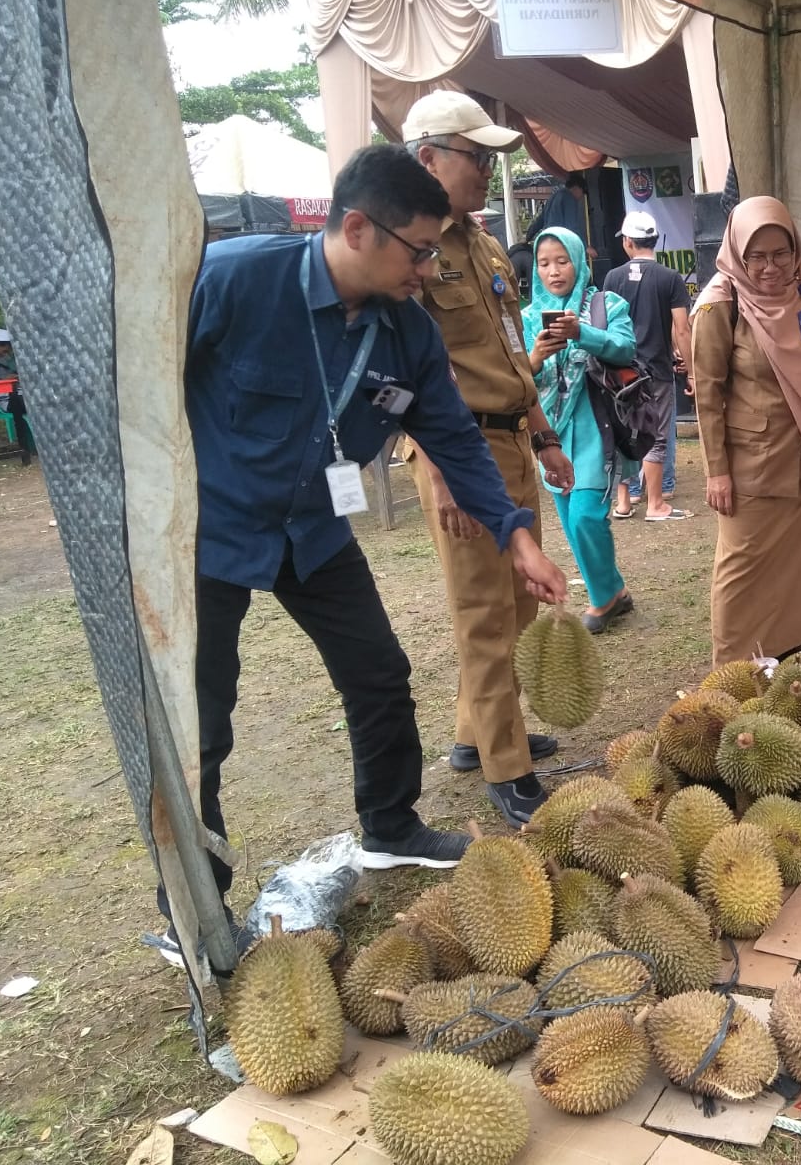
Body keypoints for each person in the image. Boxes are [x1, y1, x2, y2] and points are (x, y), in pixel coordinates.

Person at [181, 145, 568, 940]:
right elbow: (145, 384)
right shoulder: (232, 278)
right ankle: (194, 898)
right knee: (199, 721)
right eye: (419, 250)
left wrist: (519, 538)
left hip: (313, 530)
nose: (427, 269)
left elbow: (455, 440)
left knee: (380, 673)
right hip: (206, 529)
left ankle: (390, 826)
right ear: (357, 228)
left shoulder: (407, 331)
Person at [403, 91, 575, 826]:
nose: (486, 171)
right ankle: (508, 769)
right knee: (482, 610)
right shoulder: (409, 254)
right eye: (476, 158)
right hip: (456, 446)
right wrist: (436, 468)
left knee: (513, 602)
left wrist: (543, 433)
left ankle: (477, 735)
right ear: (428, 159)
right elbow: (408, 372)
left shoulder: (484, 245)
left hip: (508, 435)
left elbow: (510, 350)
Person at [692, 196, 801, 665]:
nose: (770, 268)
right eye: (757, 256)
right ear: (737, 253)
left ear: (795, 251)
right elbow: (707, 394)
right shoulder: (719, 305)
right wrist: (717, 472)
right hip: (753, 463)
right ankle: (729, 670)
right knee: (741, 574)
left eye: (780, 254)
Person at [525, 226, 639, 633]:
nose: (554, 271)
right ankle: (612, 593)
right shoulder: (525, 317)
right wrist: (536, 354)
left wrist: (581, 333)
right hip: (549, 432)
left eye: (562, 260)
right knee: (571, 519)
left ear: (579, 260)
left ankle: (604, 597)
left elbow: (625, 347)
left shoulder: (606, 304)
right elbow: (516, 377)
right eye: (544, 263)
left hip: (596, 425)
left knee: (587, 516)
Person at [605, 210, 692, 522]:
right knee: (656, 435)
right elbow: (682, 328)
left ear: (628, 242)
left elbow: (606, 325)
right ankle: (656, 503)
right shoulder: (670, 279)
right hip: (657, 369)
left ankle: (625, 502)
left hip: (619, 371)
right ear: (653, 241)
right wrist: (692, 370)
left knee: (623, 432)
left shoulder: (612, 278)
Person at [527, 174, 596, 262]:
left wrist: (528, 237)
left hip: (545, 243)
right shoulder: (569, 198)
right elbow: (572, 226)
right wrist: (586, 247)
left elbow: (539, 221)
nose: (581, 197)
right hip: (559, 244)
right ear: (577, 187)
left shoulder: (553, 196)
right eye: (582, 193)